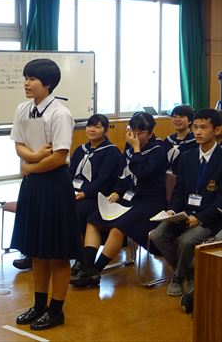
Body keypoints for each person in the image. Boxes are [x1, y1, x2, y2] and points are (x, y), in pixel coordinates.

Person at [10, 58, 79, 331]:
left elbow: (60, 156)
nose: (26, 83)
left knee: (57, 253)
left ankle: (56, 310)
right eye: (26, 78)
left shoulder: (60, 114)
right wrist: (34, 156)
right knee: (37, 250)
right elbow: (19, 145)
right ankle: (39, 306)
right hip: (33, 184)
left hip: (55, 184)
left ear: (47, 83)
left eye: (32, 79)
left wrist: (30, 166)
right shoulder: (22, 109)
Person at [71, 111, 167, 288]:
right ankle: (88, 267)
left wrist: (136, 149)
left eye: (140, 132)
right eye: (132, 131)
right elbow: (123, 176)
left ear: (150, 133)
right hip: (129, 197)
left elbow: (142, 173)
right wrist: (117, 191)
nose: (135, 136)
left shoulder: (158, 151)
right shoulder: (128, 150)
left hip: (149, 200)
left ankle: (95, 270)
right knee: (93, 220)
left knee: (118, 227)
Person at [150, 109, 222, 296]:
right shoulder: (187, 157)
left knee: (185, 241)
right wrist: (172, 210)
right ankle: (188, 271)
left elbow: (220, 201)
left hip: (211, 218)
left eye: (203, 128)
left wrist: (200, 218)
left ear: (217, 130)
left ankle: (179, 276)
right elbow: (179, 190)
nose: (197, 132)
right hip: (185, 213)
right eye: (195, 127)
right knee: (156, 235)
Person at [68, 114, 121, 277]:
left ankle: (80, 258)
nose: (92, 130)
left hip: (97, 197)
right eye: (90, 126)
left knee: (77, 211)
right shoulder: (80, 150)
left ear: (105, 130)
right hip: (76, 193)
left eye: (97, 127)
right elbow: (69, 173)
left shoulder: (111, 152)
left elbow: (104, 180)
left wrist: (84, 193)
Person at [161, 105, 197, 174]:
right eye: (174, 116)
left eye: (182, 117)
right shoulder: (168, 140)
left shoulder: (195, 142)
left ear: (190, 121)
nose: (177, 119)